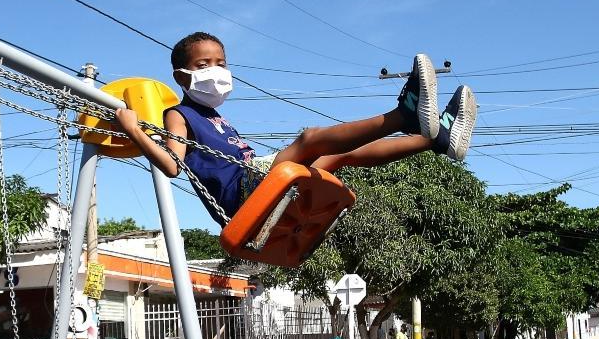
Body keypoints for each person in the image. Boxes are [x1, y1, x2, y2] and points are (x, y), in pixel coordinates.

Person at [113, 32, 478, 229]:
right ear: (181, 77)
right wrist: (135, 130)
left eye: (221, 63)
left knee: (341, 155)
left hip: (255, 181)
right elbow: (172, 165)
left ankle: (434, 140)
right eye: (204, 64)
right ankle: (404, 116)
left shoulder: (215, 117)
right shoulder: (179, 115)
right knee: (309, 140)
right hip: (242, 195)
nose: (217, 70)